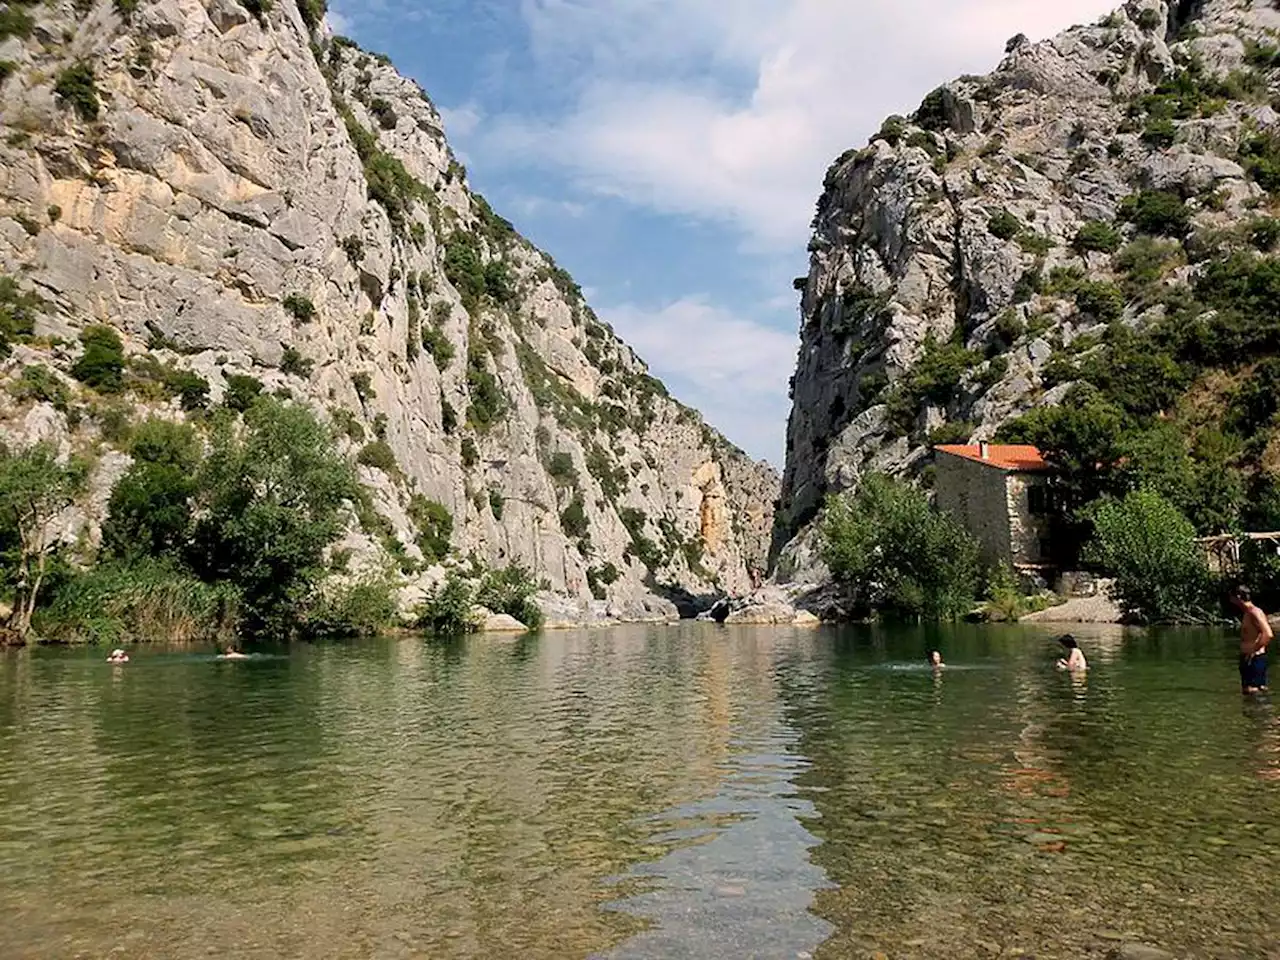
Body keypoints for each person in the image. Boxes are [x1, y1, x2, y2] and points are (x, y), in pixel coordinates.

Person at [1230, 585, 1272, 694]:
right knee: (1250, 694)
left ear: (1238, 597)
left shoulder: (1255, 612)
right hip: (1249, 659)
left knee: (1254, 692)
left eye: (1232, 597)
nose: (1230, 600)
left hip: (1254, 659)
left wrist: (1253, 651)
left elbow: (1268, 634)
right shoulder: (1247, 613)